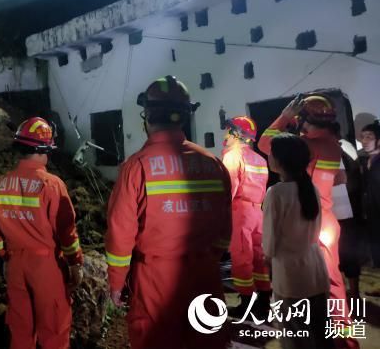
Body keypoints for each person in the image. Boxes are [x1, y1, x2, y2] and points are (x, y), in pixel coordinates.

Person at [105, 76, 232, 349]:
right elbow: (225, 230)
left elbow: (120, 234)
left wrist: (117, 282)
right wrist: (208, 259)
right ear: (184, 117)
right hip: (204, 275)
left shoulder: (136, 167)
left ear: (147, 115)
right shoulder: (214, 165)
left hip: (155, 281)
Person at [259, 94, 359, 349]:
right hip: (325, 217)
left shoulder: (305, 146)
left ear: (303, 119)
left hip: (307, 218)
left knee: (315, 290)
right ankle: (342, 335)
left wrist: (284, 116)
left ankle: (338, 339)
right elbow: (339, 181)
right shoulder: (333, 144)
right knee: (333, 283)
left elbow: (265, 144)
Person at [0, 117, 84, 349]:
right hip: (46, 266)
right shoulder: (52, 185)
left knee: (20, 331)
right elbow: (67, 232)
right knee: (53, 330)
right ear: (45, 150)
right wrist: (75, 264)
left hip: (15, 266)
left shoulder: (1, 183)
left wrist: (5, 257)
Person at [262, 133, 331, 349]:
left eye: (272, 153)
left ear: (281, 160)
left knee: (295, 336)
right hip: (316, 268)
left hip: (290, 272)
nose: (269, 157)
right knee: (320, 333)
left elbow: (270, 242)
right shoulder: (311, 188)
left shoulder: (276, 193)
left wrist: (268, 263)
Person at [221, 116, 271, 317]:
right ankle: (264, 300)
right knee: (259, 258)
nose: (226, 135)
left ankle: (247, 304)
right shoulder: (259, 159)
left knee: (242, 258)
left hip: (239, 212)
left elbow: (229, 189)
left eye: (228, 131)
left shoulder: (233, 156)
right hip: (258, 211)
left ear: (236, 134)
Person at [331, 124, 363, 300]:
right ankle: (350, 292)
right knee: (342, 253)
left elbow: (347, 178)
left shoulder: (341, 148)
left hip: (342, 210)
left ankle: (353, 293)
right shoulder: (344, 147)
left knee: (345, 253)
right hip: (342, 210)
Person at [360, 120, 380, 268]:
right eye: (363, 137)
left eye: (369, 137)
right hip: (372, 215)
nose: (364, 141)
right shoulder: (366, 161)